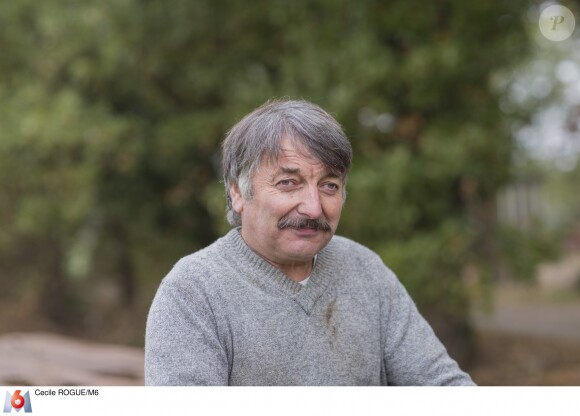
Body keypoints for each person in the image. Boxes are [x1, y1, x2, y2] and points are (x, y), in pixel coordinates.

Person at [145, 99, 475, 386]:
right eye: (289, 183)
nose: (314, 207)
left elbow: (441, 384)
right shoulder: (193, 292)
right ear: (237, 192)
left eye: (329, 185)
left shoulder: (365, 270)